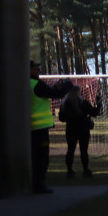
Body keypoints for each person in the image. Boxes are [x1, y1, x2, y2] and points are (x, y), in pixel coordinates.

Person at [29, 61, 72, 193]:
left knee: (32, 157)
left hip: (27, 128)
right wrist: (67, 86)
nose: (39, 71)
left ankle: (31, 183)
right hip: (39, 127)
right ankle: (39, 185)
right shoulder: (36, 84)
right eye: (36, 68)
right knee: (41, 158)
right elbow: (56, 94)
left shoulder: (23, 83)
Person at [59, 84, 97, 178]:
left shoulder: (65, 104)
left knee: (70, 150)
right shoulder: (83, 103)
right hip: (83, 129)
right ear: (78, 92)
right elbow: (94, 113)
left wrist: (70, 118)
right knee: (84, 151)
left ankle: (69, 171)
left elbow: (61, 118)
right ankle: (85, 170)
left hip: (71, 129)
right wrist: (98, 104)